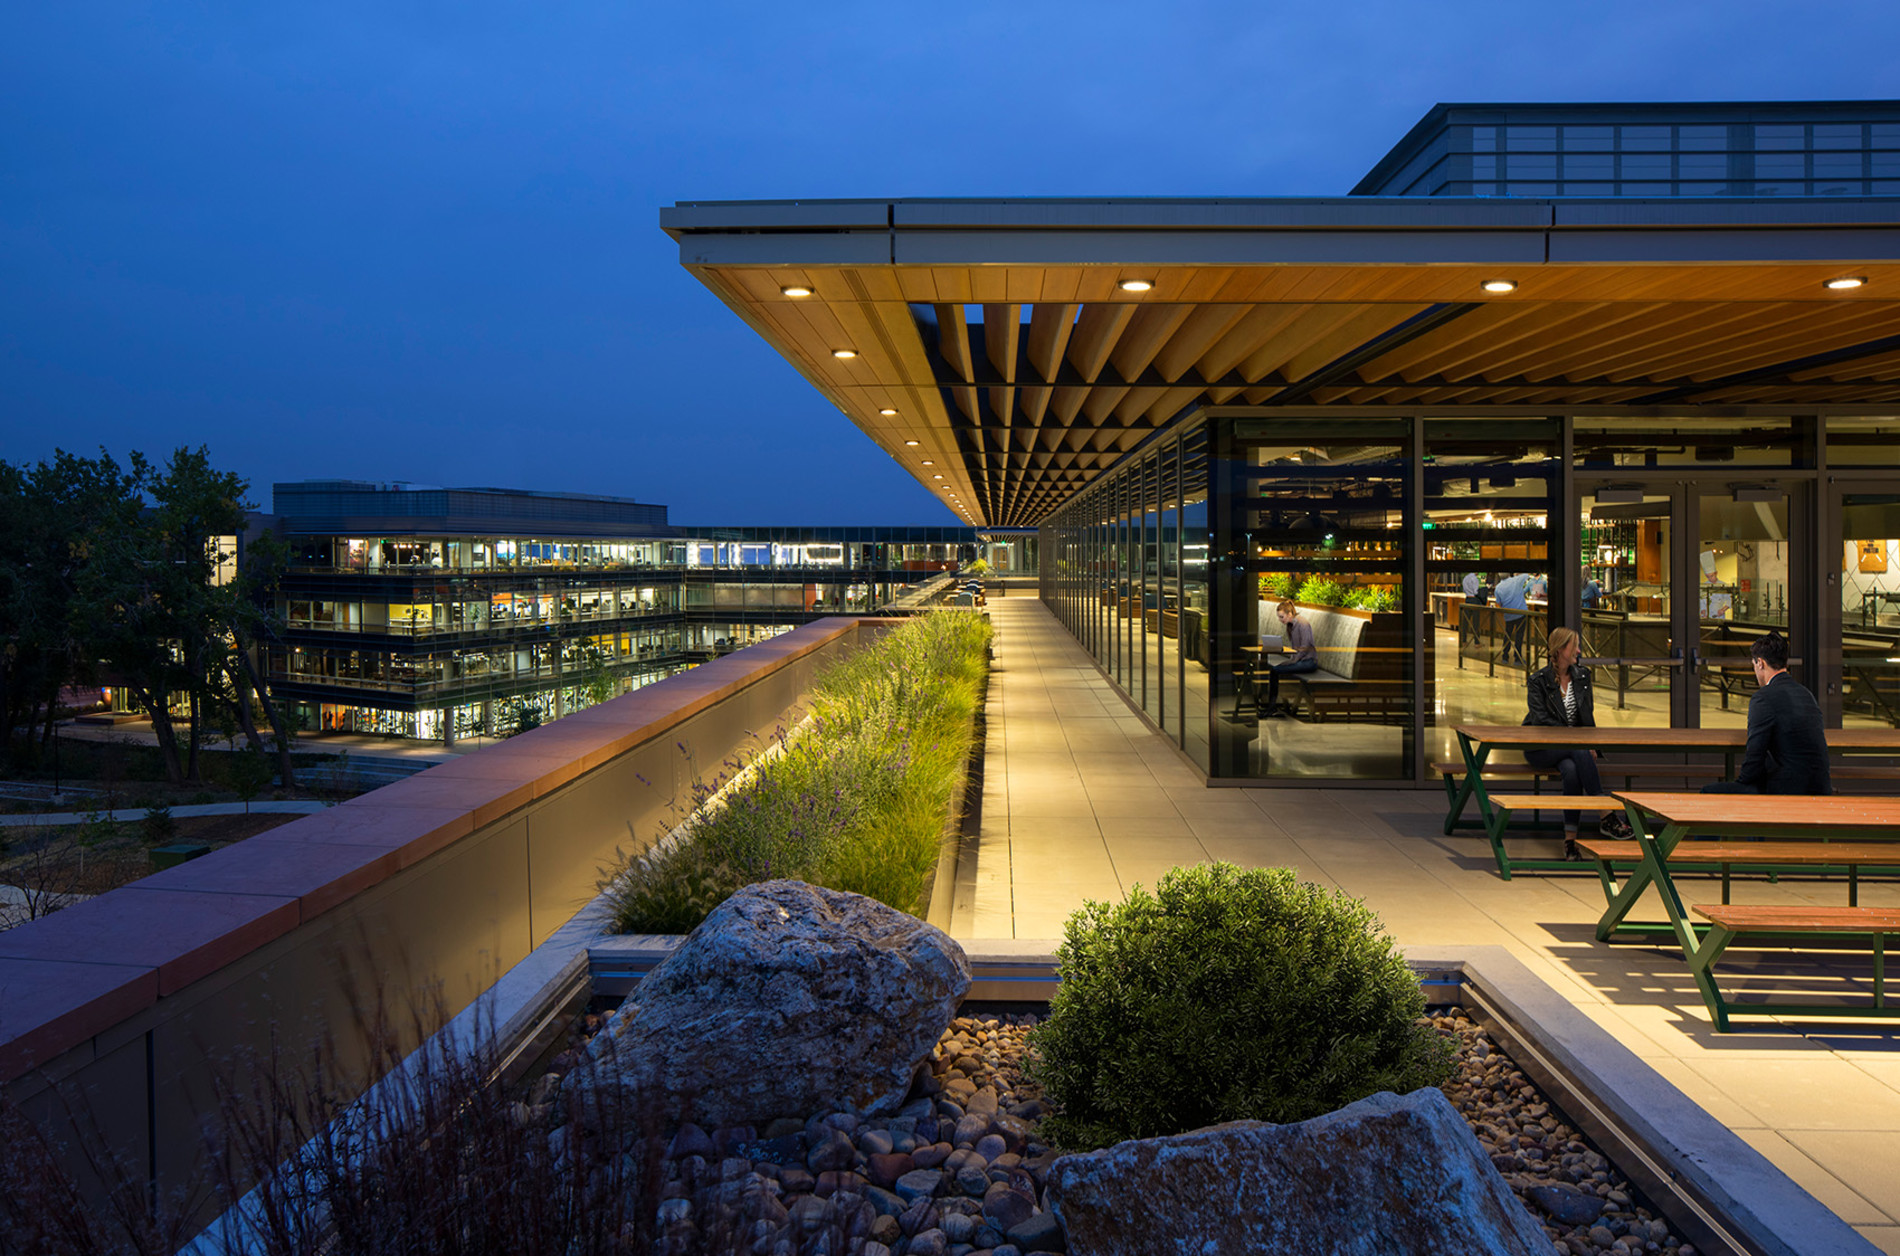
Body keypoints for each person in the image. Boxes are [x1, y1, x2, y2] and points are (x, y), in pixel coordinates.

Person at [1524, 626, 1630, 858]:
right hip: (1542, 748)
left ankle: (1570, 842)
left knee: (1571, 771)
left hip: (1573, 750)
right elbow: (1540, 719)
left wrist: (1589, 742)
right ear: (1561, 649)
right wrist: (1576, 741)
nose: (1579, 651)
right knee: (1577, 749)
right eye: (1575, 646)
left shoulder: (1582, 677)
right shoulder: (1538, 680)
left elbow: (1586, 716)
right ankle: (1605, 813)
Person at [1702, 633, 1831, 795]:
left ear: (1760, 663)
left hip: (1788, 791)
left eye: (1754, 665)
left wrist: (1742, 783)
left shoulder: (1763, 698)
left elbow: (1755, 753)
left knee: (1708, 792)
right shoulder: (1805, 694)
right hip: (1820, 788)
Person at [1263, 599, 1318, 718]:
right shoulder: (1291, 625)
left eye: (1282, 617)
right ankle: (1271, 705)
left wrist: (1293, 660)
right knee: (1274, 669)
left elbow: (1305, 647)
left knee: (1275, 671)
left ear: (1289, 614)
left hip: (1308, 662)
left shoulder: (1303, 624)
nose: (1280, 620)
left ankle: (1272, 706)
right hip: (1300, 660)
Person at [1493, 572, 1537, 665]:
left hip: (1508, 615)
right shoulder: (1517, 580)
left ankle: (1505, 657)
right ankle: (1517, 658)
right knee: (1519, 636)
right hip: (1521, 613)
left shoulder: (1498, 588)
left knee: (1507, 635)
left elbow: (1499, 603)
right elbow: (1527, 574)